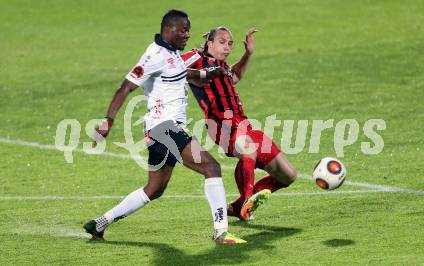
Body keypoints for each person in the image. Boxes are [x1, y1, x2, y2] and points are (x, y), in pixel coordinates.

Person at [83, 11, 246, 244]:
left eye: (188, 30)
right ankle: (221, 232)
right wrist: (108, 121)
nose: (187, 35)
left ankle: (101, 222)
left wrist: (208, 73)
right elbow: (125, 87)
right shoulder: (154, 55)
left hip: (159, 131)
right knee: (211, 167)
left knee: (154, 189)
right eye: (183, 30)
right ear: (168, 29)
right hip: (164, 129)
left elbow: (183, 74)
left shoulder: (172, 54)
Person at [182, 26, 297, 220]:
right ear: (209, 43)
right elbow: (170, 66)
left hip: (243, 125)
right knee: (248, 148)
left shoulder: (223, 68)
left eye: (230, 43)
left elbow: (235, 76)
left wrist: (248, 54)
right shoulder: (196, 58)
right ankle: (247, 201)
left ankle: (236, 208)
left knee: (288, 175)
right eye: (222, 42)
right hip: (220, 125)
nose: (227, 47)